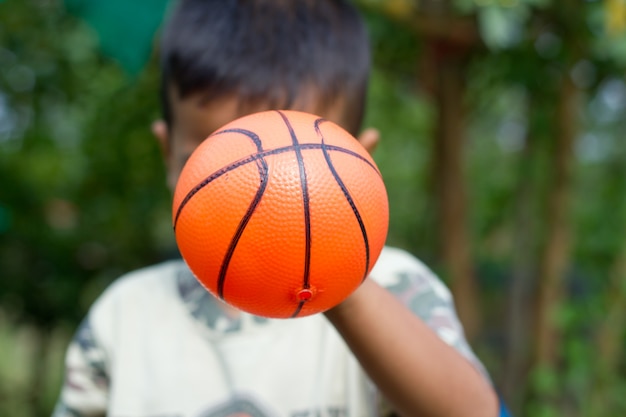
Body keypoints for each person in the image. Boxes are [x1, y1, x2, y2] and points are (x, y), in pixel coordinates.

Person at [53, 1, 505, 416]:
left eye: (298, 161)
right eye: (216, 161)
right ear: (169, 153)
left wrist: (335, 273)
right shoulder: (126, 316)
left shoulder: (397, 287)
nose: (254, 190)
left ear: (361, 165)